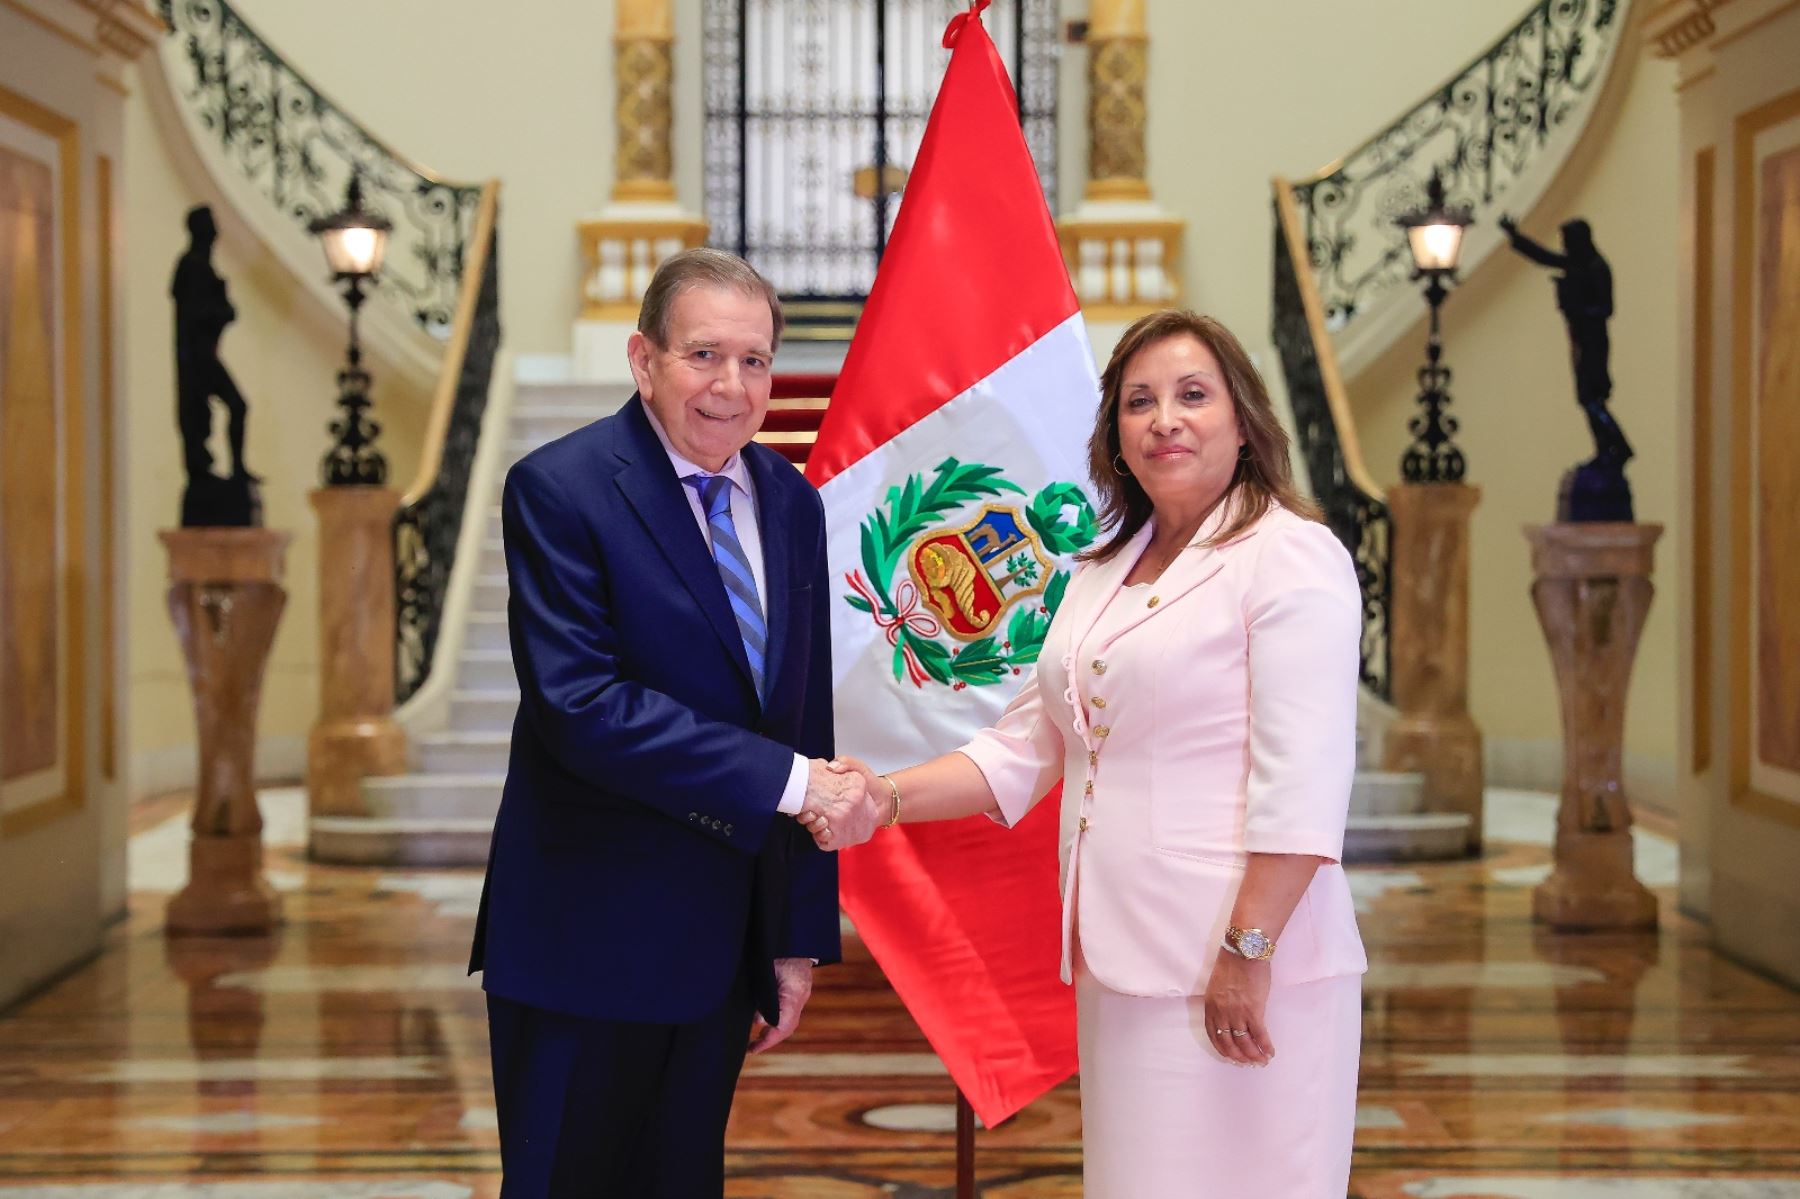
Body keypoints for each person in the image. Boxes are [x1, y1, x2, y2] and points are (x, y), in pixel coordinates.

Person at [815, 310, 1368, 1196]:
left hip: (1249, 965)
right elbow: (1022, 749)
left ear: (1244, 420)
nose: (1165, 419)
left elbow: (1303, 781)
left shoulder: (1291, 557)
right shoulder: (1102, 571)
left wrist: (1247, 951)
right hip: (1121, 961)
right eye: (1139, 402)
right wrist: (880, 795)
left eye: (1193, 395)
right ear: (1115, 434)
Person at [469, 248, 881, 1197]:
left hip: (718, 953)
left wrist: (793, 934)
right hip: (583, 942)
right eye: (703, 354)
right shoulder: (560, 488)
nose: (732, 387)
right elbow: (583, 706)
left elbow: (802, 715)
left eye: (755, 360)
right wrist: (790, 785)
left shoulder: (790, 501)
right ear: (642, 359)